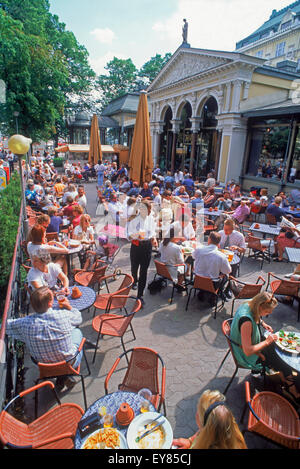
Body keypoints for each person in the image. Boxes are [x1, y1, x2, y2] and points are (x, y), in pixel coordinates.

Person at [6, 286, 83, 390]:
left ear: (32, 305)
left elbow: (5, 326)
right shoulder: (63, 315)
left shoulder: (24, 323)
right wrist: (69, 306)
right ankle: (63, 377)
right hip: (70, 363)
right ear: (50, 303)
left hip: (44, 368)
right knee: (77, 331)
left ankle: (61, 377)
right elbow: (78, 318)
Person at [230, 292, 300, 400]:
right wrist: (267, 342)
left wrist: (263, 323)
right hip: (245, 354)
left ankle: (285, 378)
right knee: (279, 357)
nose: (270, 313)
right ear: (260, 306)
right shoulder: (246, 322)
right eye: (267, 311)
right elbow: (248, 351)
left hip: (246, 344)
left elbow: (256, 315)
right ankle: (290, 386)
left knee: (276, 350)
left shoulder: (249, 304)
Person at [173, 389, 247, 449]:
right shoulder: (232, 432)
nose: (196, 414)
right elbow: (200, 432)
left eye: (198, 412)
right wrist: (189, 441)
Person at [127, 200, 158, 306]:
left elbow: (153, 231)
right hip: (136, 246)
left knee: (144, 271)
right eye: (148, 211)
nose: (149, 212)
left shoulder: (151, 218)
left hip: (147, 246)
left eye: (150, 210)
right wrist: (136, 235)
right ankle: (134, 280)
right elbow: (128, 235)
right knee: (134, 267)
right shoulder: (134, 219)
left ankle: (140, 295)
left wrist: (154, 238)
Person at [192, 231, 231, 303]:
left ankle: (202, 291)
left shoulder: (199, 249)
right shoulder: (222, 256)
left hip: (197, 280)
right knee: (226, 276)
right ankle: (216, 294)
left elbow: (193, 256)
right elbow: (228, 271)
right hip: (212, 284)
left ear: (209, 239)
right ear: (218, 243)